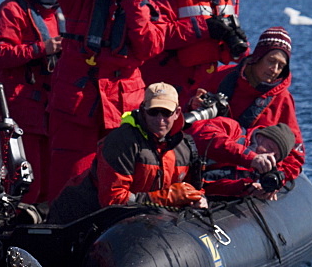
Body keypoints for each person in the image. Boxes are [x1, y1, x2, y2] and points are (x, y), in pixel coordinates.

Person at [45, 0, 167, 200]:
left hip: (122, 108)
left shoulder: (149, 8)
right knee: (69, 180)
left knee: (117, 179)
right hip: (77, 105)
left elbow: (149, 47)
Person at [48, 82, 205, 224]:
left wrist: (198, 199)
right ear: (143, 110)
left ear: (177, 113)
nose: (160, 119)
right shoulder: (121, 141)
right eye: (153, 112)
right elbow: (113, 201)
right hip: (80, 220)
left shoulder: (186, 146)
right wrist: (167, 198)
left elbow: (194, 188)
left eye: (166, 113)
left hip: (144, 221)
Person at [0, 0, 64, 205]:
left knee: (54, 180)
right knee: (25, 180)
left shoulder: (61, 12)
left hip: (52, 109)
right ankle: (15, 231)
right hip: (20, 107)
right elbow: (0, 53)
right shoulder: (12, 10)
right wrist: (42, 48)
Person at [141, 0, 248, 105]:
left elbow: (232, 53)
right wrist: (204, 27)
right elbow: (153, 37)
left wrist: (238, 45)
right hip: (165, 90)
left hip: (203, 89)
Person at [194, 26, 305, 183]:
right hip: (207, 156)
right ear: (258, 56)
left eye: (281, 66)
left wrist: (278, 178)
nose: (274, 70)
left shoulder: (282, 98)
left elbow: (295, 152)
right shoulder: (223, 77)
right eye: (271, 61)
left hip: (247, 172)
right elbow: (184, 116)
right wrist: (194, 104)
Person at [188, 119, 299, 200]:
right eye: (269, 147)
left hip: (189, 188)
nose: (269, 155)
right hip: (178, 167)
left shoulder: (255, 172)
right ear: (259, 137)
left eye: (275, 156)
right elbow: (203, 135)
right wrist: (250, 157)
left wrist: (245, 188)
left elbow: (211, 187)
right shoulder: (233, 130)